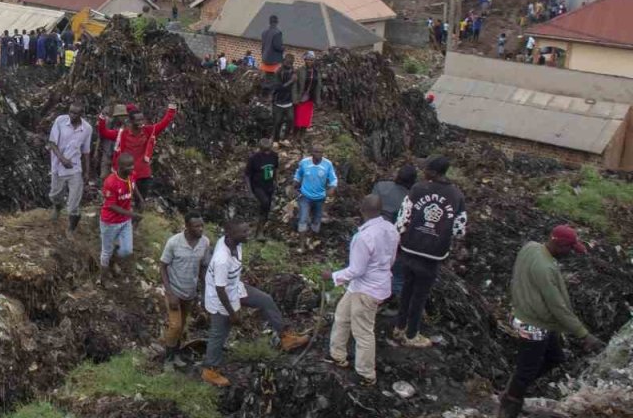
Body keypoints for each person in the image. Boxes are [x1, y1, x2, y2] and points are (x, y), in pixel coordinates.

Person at [498, 226, 604, 418]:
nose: (570, 253)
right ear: (558, 244)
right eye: (569, 248)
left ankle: (513, 390)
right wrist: (584, 335)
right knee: (526, 370)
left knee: (555, 358)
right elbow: (558, 307)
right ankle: (509, 405)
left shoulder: (531, 247)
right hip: (533, 325)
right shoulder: (545, 268)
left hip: (525, 314)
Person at [200, 220, 309, 387]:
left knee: (265, 300)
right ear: (231, 234)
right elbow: (220, 289)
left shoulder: (233, 242)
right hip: (220, 298)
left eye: (247, 229)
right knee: (219, 332)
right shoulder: (222, 259)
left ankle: (286, 337)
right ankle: (209, 370)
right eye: (243, 232)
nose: (248, 233)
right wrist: (233, 313)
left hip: (234, 288)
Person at [324, 194, 400, 386]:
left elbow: (356, 270)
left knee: (363, 332)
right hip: (368, 285)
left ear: (361, 209)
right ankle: (337, 355)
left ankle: (366, 374)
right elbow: (391, 259)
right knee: (342, 316)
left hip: (366, 290)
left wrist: (332, 276)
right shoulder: (391, 229)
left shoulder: (363, 237)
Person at [394, 156, 467, 348]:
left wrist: (399, 240)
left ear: (434, 172)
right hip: (433, 255)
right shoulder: (457, 195)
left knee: (407, 290)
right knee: (420, 296)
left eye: (426, 169)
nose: (423, 172)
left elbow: (402, 220)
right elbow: (459, 229)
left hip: (410, 249)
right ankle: (411, 334)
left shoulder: (417, 189)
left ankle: (400, 328)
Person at [97, 102, 177, 211]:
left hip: (143, 174)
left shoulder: (148, 131)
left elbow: (164, 123)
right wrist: (102, 118)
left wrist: (171, 108)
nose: (141, 123)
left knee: (140, 202)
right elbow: (104, 133)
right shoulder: (122, 134)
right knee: (123, 202)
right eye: (138, 120)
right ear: (130, 121)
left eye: (142, 120)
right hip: (125, 175)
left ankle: (135, 224)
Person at [159, 212, 209, 366]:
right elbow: (162, 267)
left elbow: (202, 267)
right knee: (175, 325)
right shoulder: (174, 242)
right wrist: (169, 292)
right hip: (174, 290)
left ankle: (176, 355)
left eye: (202, 226)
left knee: (182, 324)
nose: (200, 229)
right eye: (196, 226)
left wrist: (206, 289)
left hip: (190, 292)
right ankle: (168, 360)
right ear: (187, 227)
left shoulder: (204, 242)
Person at [47, 102, 92, 233]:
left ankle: (71, 230)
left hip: (75, 168)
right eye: (70, 112)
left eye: (75, 113)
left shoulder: (87, 128)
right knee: (55, 194)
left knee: (73, 204)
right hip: (58, 166)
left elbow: (86, 151)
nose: (71, 115)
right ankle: (57, 207)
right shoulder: (60, 121)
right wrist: (62, 159)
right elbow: (51, 143)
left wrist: (87, 172)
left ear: (81, 114)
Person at [98, 153, 140, 285]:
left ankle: (113, 261)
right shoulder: (110, 182)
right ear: (120, 167)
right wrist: (132, 214)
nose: (132, 168)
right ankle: (103, 279)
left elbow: (133, 185)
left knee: (127, 250)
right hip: (110, 222)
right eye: (129, 166)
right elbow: (110, 206)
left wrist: (140, 198)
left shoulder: (131, 175)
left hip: (125, 220)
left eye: (132, 165)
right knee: (106, 251)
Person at [293, 146, 337, 234]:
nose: (318, 154)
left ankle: (312, 239)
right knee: (303, 219)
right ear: (312, 152)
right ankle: (301, 246)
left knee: (316, 221)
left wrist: (332, 188)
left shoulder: (327, 164)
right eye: (316, 152)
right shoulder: (304, 162)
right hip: (305, 196)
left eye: (321, 152)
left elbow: (333, 179)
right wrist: (294, 185)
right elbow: (298, 174)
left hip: (320, 197)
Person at [244, 139, 279, 233]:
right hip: (257, 185)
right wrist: (250, 190)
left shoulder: (274, 156)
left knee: (266, 208)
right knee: (265, 202)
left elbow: (275, 169)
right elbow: (247, 175)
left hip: (269, 185)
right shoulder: (254, 158)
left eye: (268, 150)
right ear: (260, 149)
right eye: (265, 150)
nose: (267, 152)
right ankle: (258, 228)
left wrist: (276, 181)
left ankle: (260, 229)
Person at [292, 53, 321, 141]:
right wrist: (295, 98)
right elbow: (294, 85)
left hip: (310, 99)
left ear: (314, 61)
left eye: (311, 60)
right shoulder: (299, 70)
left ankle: (302, 137)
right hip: (300, 98)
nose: (309, 61)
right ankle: (295, 136)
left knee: (306, 119)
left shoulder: (316, 72)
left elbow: (318, 86)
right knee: (297, 118)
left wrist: (318, 99)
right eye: (308, 59)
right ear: (304, 60)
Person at [271, 54, 296, 142]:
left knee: (290, 120)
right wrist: (291, 81)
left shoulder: (293, 71)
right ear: (283, 61)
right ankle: (275, 140)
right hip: (279, 101)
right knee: (278, 122)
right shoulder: (278, 72)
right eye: (287, 62)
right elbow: (278, 88)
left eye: (291, 63)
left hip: (289, 101)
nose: (289, 64)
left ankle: (285, 138)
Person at [259, 15, 284, 83]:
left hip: (265, 59)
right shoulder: (277, 32)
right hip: (274, 62)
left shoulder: (264, 32)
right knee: (274, 82)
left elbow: (263, 45)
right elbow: (277, 46)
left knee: (265, 80)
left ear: (269, 22)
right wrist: (283, 48)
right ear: (277, 22)